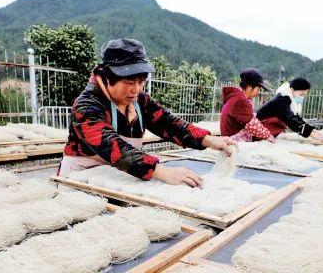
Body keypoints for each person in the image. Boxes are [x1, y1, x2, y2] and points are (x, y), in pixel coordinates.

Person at [60, 38, 234, 187]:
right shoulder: (87, 106)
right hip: (79, 179)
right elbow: (113, 148)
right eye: (129, 82)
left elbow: (168, 123)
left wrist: (207, 139)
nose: (136, 90)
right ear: (107, 77)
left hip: (118, 177)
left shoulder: (140, 101)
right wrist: (161, 171)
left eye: (141, 82)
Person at [256, 77, 323, 143]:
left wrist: (312, 130)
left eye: (304, 95)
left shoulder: (289, 99)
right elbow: (291, 119)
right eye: (301, 94)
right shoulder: (282, 99)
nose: (302, 97)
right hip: (260, 126)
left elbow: (296, 118)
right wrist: (311, 134)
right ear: (292, 90)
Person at [220, 68, 276, 142]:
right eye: (258, 89)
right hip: (233, 139)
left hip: (229, 135)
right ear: (249, 87)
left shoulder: (236, 97)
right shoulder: (240, 100)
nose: (258, 92)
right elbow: (252, 125)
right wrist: (268, 136)